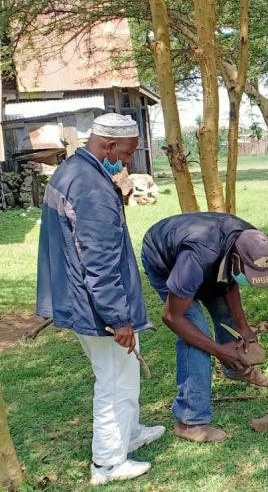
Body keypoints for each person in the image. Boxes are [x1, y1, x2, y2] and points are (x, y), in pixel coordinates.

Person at [37, 113, 164, 485]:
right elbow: (100, 261)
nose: (125, 163)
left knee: (120, 372)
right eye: (125, 155)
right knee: (112, 379)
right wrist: (118, 317)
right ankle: (108, 463)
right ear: (108, 146)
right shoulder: (90, 186)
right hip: (96, 306)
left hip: (78, 297)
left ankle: (129, 432)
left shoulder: (71, 170)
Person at [141, 213, 268, 443]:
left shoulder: (249, 239)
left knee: (228, 315)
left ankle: (236, 369)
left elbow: (230, 282)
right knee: (196, 334)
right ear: (233, 258)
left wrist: (244, 328)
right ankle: (188, 421)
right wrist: (218, 350)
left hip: (207, 260)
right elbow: (172, 317)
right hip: (166, 260)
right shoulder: (197, 259)